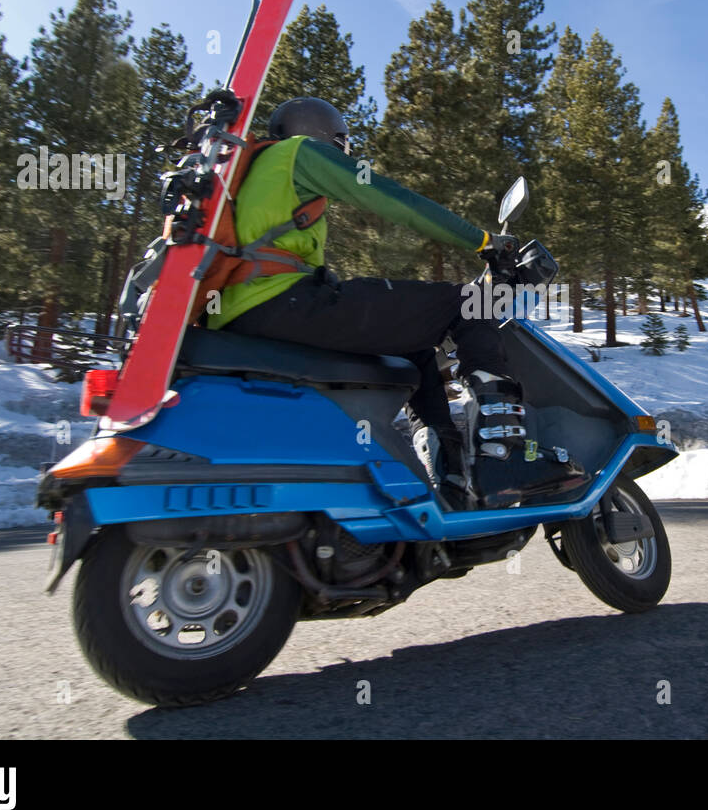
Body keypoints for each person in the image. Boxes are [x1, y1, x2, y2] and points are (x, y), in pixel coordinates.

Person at [209, 96, 583, 507]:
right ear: (323, 136)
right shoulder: (297, 153)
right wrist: (481, 240)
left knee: (416, 353)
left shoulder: (252, 176)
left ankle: (450, 474)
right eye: (342, 143)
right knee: (469, 302)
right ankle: (503, 454)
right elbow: (390, 197)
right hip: (285, 301)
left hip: (245, 314)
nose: (344, 152)